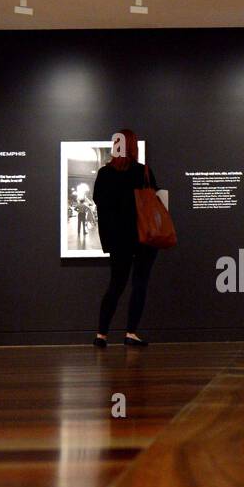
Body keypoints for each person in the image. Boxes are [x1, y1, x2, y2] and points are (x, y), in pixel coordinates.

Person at [92, 129, 159, 347]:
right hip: (143, 237)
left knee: (116, 284)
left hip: (118, 239)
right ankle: (130, 333)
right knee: (139, 284)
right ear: (133, 147)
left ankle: (101, 335)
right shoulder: (143, 172)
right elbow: (156, 199)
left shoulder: (104, 174)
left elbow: (98, 201)